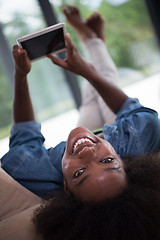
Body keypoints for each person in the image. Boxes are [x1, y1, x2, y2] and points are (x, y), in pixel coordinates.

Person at [1, 6, 160, 202]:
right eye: (108, 161)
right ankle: (91, 39)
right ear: (123, 162)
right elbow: (128, 106)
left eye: (79, 173)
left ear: (66, 187)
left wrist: (20, 76)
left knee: (92, 98)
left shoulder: (32, 171)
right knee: (104, 79)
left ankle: (94, 40)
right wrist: (86, 71)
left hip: (94, 138)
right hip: (115, 137)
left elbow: (24, 133)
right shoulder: (137, 139)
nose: (86, 153)